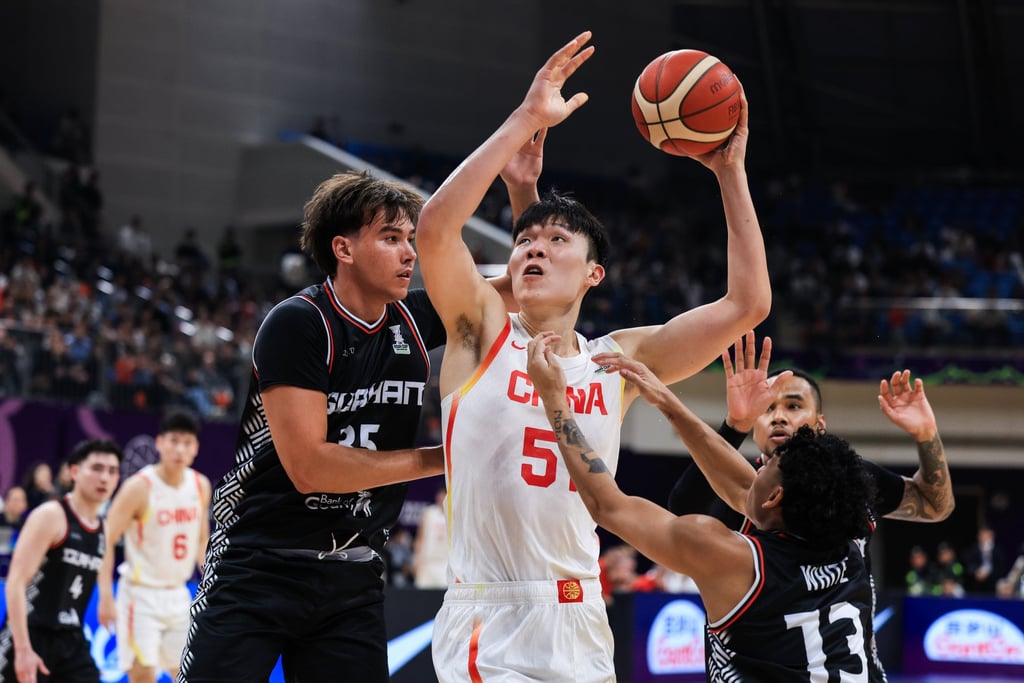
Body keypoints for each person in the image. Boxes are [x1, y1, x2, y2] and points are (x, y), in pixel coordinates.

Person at [415, 31, 770, 681]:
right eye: (524, 241)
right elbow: (435, 228)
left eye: (555, 240)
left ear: (594, 275)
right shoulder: (478, 331)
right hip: (492, 620)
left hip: (582, 618)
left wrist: (729, 172)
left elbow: (747, 304)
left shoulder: (618, 360)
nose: (533, 248)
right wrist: (525, 120)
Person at [177, 170, 510, 683]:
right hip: (259, 565)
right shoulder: (298, 323)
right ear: (344, 248)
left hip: (352, 577)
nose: (410, 254)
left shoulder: (418, 319)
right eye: (391, 237)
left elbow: (530, 285)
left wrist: (521, 170)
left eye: (410, 238)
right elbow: (311, 467)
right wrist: (443, 455)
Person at [526, 338, 879, 682]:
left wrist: (555, 399)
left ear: (773, 498)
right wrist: (667, 402)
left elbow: (608, 504)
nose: (751, 473)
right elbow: (739, 482)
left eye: (763, 471)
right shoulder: (849, 544)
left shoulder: (732, 558)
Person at [667, 331, 954, 680]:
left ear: (820, 424)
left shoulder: (850, 479)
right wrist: (734, 424)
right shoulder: (738, 487)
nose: (778, 417)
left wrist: (926, 433)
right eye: (767, 408)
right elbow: (681, 511)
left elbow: (933, 504)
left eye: (793, 406)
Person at [98, 410, 211, 683]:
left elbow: (201, 540)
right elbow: (105, 541)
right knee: (143, 677)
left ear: (195, 448)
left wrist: (212, 582)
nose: (180, 449)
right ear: (159, 443)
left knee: (187, 675)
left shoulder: (200, 485)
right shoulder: (139, 487)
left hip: (179, 595)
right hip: (141, 595)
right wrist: (105, 595)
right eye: (174, 441)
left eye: (187, 442)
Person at [0, 439, 123, 683]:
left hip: (71, 639)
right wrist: (23, 649)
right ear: (74, 472)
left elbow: (105, 558)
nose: (105, 478)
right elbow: (15, 582)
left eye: (112, 471)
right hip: (29, 633)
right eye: (97, 468)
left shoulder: (104, 528)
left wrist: (107, 598)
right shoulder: (51, 516)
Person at [412, 486, 448, 589]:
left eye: (444, 495)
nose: (441, 498)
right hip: (427, 563)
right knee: (422, 598)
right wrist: (417, 560)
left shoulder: (453, 514)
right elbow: (420, 538)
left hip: (445, 564)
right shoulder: (429, 513)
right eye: (439, 495)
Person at [963, 525, 1006, 595]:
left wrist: (988, 573)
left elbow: (1001, 568)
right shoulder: (973, 550)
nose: (985, 538)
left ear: (992, 536)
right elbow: (969, 565)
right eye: (982, 536)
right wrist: (976, 572)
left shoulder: (998, 551)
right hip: (977, 582)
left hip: (994, 581)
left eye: (987, 536)